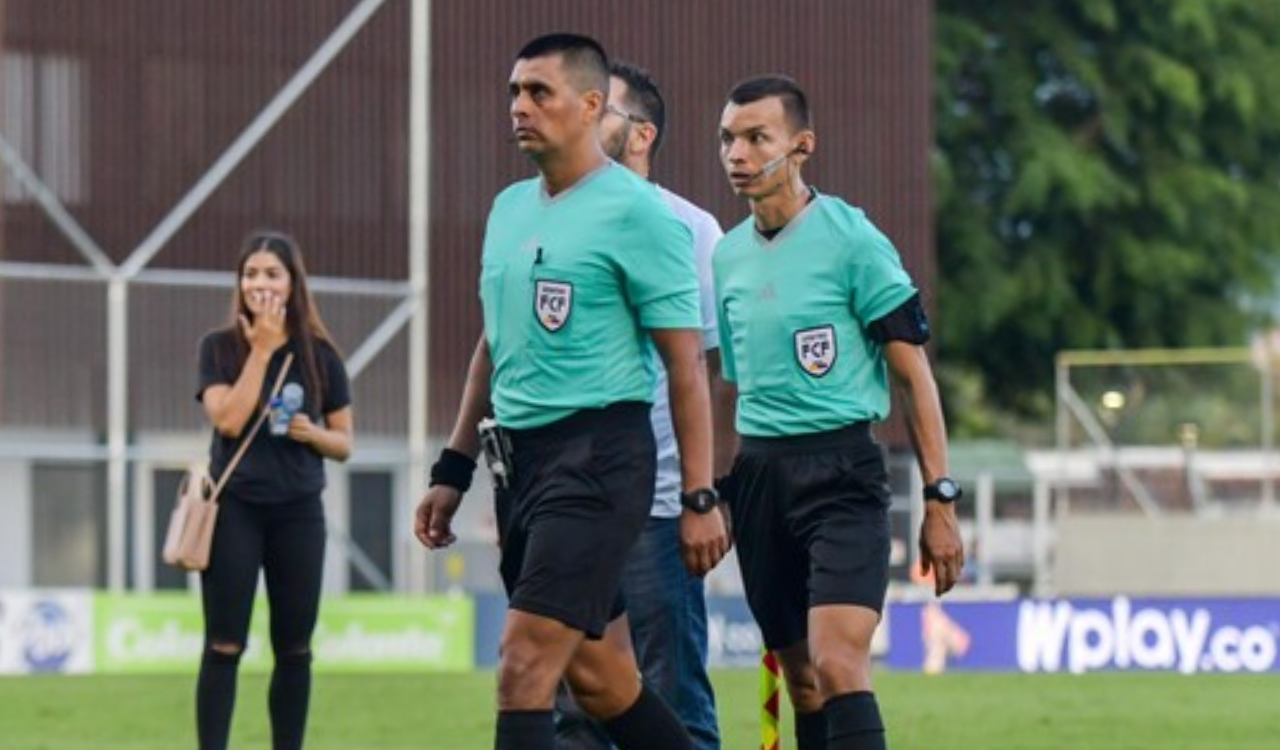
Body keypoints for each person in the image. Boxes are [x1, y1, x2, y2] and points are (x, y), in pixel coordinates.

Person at [413, 33, 730, 750]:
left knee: (522, 666)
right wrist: (451, 470)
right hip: (519, 467)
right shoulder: (507, 210)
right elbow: (491, 352)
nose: (520, 107)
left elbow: (687, 368)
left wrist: (701, 497)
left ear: (592, 106)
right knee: (603, 680)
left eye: (539, 92)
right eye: (514, 93)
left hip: (599, 463)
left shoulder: (642, 214)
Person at [712, 75, 965, 750]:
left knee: (838, 661)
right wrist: (709, 494)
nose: (737, 152)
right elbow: (727, 387)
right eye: (728, 138)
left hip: (842, 474)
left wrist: (940, 499)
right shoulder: (726, 258)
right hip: (760, 477)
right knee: (801, 683)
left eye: (756, 137)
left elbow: (914, 375)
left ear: (802, 147)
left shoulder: (854, 240)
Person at [553, 60, 725, 750]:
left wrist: (701, 496)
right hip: (569, 509)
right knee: (574, 714)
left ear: (642, 133)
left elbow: (708, 376)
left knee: (673, 696)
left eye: (605, 112)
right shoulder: (552, 219)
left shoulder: (693, 231)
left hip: (656, 511)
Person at [194, 231, 354, 750]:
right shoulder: (218, 348)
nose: (259, 283)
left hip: (298, 513)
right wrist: (260, 350)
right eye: (250, 274)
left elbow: (345, 443)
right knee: (224, 644)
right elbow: (228, 420)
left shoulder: (322, 356)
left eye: (271, 274)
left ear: (292, 284)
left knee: (295, 649)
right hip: (235, 509)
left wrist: (314, 434)